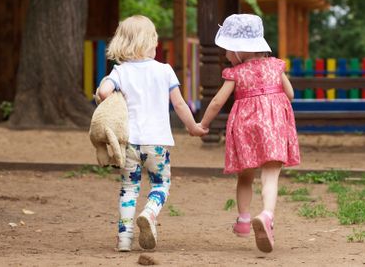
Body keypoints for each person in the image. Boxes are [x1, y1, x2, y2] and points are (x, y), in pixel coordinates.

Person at [97, 15, 207, 252]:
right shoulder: (165, 71)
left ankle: (124, 239)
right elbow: (179, 105)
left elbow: (104, 92)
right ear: (149, 42)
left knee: (128, 188)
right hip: (157, 143)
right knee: (160, 184)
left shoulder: (120, 71)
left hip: (129, 143)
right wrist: (193, 127)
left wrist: (115, 91)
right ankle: (149, 212)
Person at [199, 14, 300, 253]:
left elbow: (216, 102)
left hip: (245, 128)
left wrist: (202, 124)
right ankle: (266, 215)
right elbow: (291, 95)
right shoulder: (276, 66)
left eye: (226, 49)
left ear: (238, 51)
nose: (225, 55)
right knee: (271, 174)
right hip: (273, 127)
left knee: (245, 175)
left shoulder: (235, 73)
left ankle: (244, 221)